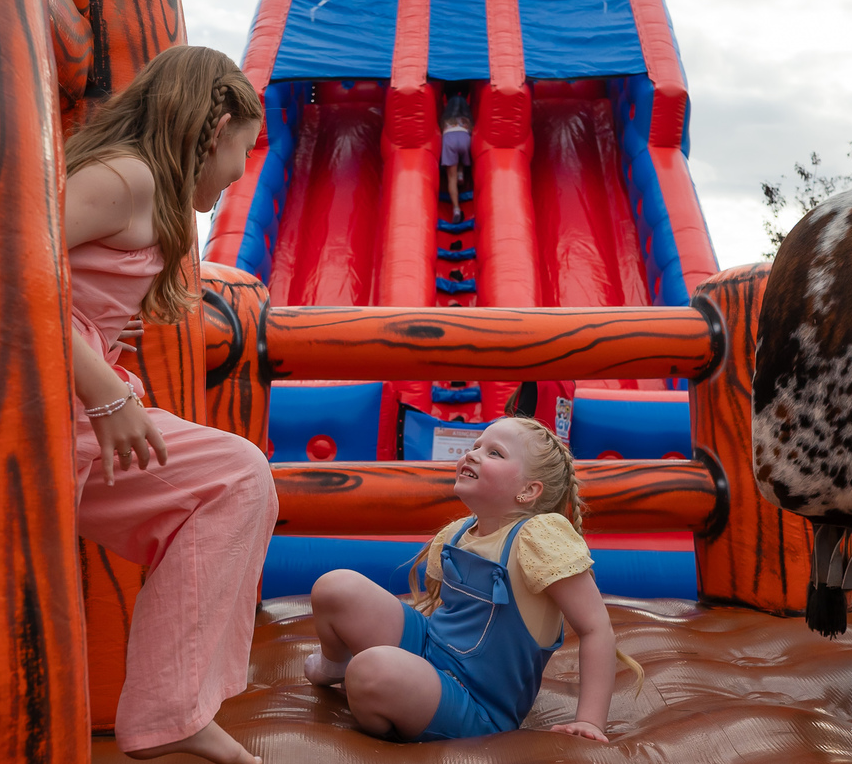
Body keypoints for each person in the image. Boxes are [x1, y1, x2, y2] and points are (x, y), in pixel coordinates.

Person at [64, 45, 277, 764]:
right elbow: (5, 264)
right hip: (55, 412)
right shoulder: (125, 178)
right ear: (214, 131)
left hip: (77, 405)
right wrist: (102, 389)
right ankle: (169, 710)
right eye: (244, 148)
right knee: (233, 476)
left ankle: (174, 707)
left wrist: (99, 327)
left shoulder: (144, 191)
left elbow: (65, 281)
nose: (242, 169)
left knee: (235, 478)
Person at [304, 417, 643, 742]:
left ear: (528, 490)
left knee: (371, 670)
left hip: (477, 703)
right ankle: (336, 665)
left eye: (494, 453)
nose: (473, 454)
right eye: (475, 446)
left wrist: (589, 720)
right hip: (430, 650)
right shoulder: (459, 531)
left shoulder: (539, 539)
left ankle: (394, 697)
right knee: (337, 586)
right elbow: (445, 613)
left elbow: (595, 627)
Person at [440, 94, 472, 224]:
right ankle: (461, 172)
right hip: (464, 138)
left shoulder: (445, 119)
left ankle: (456, 209)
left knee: (451, 178)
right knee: (463, 153)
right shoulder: (467, 119)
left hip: (449, 139)